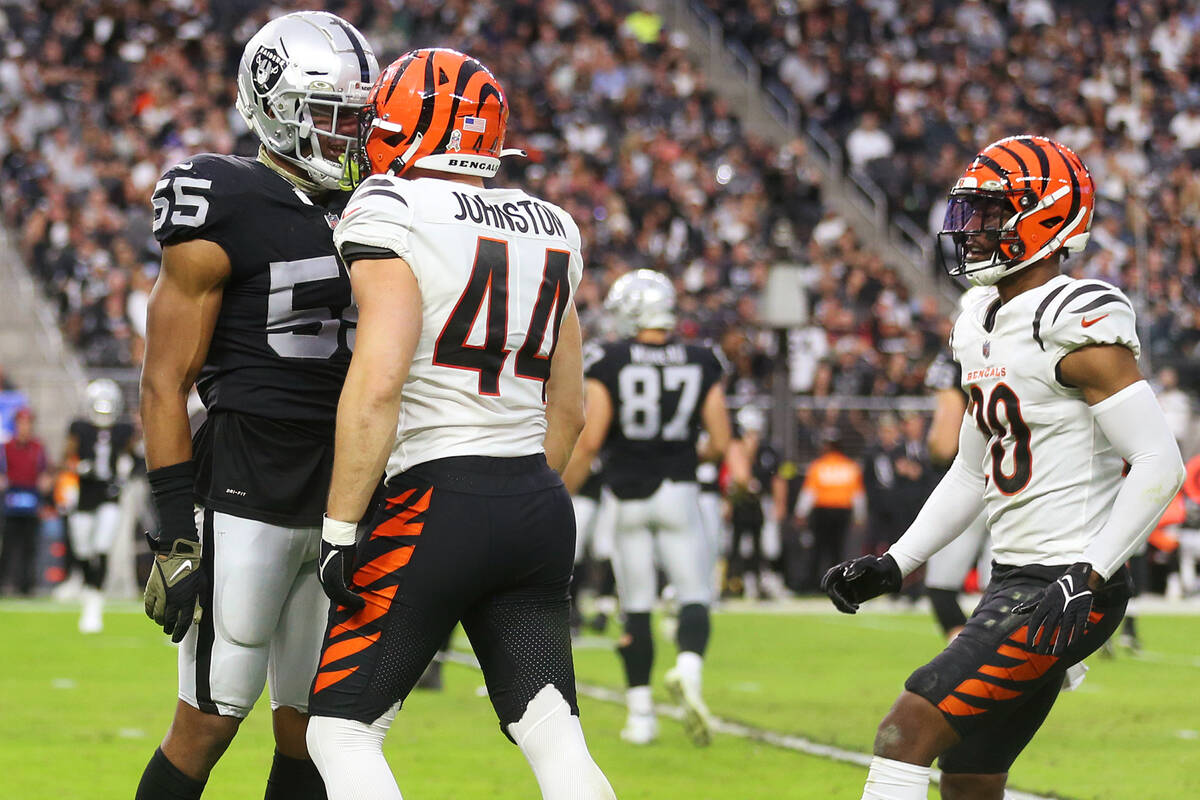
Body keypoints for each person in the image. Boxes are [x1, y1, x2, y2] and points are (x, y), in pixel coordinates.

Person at [821, 135, 1185, 800]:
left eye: (988, 214)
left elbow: (1160, 460)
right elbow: (970, 470)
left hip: (1070, 584)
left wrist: (1089, 571)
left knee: (906, 731)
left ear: (1043, 216)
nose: (970, 229)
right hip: (1014, 578)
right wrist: (897, 561)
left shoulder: (1072, 316)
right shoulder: (979, 317)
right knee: (971, 778)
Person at [303, 48, 616, 800]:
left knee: (340, 730)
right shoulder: (554, 224)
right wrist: (519, 493)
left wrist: (341, 530)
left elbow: (377, 386)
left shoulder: (389, 209)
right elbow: (566, 408)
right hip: (536, 498)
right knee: (550, 722)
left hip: (438, 492)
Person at [135, 12, 378, 800]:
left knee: (312, 731)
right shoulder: (224, 196)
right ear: (273, 106)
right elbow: (163, 380)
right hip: (247, 484)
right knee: (208, 720)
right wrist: (175, 527)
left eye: (356, 119)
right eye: (331, 117)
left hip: (345, 488)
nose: (347, 137)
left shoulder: (380, 206)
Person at [563, 269, 731, 747]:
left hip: (626, 495)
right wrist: (677, 452)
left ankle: (641, 716)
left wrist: (564, 491)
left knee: (635, 605)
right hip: (680, 491)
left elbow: (591, 438)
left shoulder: (610, 358)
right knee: (694, 594)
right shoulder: (701, 359)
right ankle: (689, 674)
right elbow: (719, 442)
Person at [922, 324, 993, 639]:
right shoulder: (1024, 347)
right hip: (1020, 480)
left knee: (941, 590)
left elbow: (944, 443)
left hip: (972, 483)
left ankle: (971, 664)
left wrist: (932, 451)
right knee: (1007, 592)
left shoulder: (955, 359)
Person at [65, 379, 135, 632]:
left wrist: (125, 468)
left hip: (109, 495)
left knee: (103, 545)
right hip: (84, 494)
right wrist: (78, 466)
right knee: (82, 546)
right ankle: (87, 587)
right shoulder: (80, 427)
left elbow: (132, 453)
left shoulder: (123, 429)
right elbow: (68, 456)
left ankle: (94, 604)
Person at [725, 404, 782, 599]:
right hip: (740, 501)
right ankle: (731, 583)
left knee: (759, 546)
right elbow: (740, 476)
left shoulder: (766, 449)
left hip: (756, 502)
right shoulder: (736, 447)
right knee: (734, 545)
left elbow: (775, 478)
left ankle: (758, 583)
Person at [794, 428, 866, 585]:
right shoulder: (850, 466)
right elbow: (858, 495)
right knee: (838, 549)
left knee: (818, 549)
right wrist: (860, 516)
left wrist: (800, 513)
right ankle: (836, 582)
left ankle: (813, 584)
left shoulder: (818, 466)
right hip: (842, 512)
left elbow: (809, 493)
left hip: (823, 511)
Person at [0, 408, 50, 596]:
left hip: (31, 502)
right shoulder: (6, 448)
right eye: (22, 424)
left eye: (28, 424)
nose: (25, 428)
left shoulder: (38, 448)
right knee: (8, 545)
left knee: (30, 546)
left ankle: (26, 586)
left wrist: (45, 482)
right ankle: (4, 583)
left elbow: (45, 473)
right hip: (10, 503)